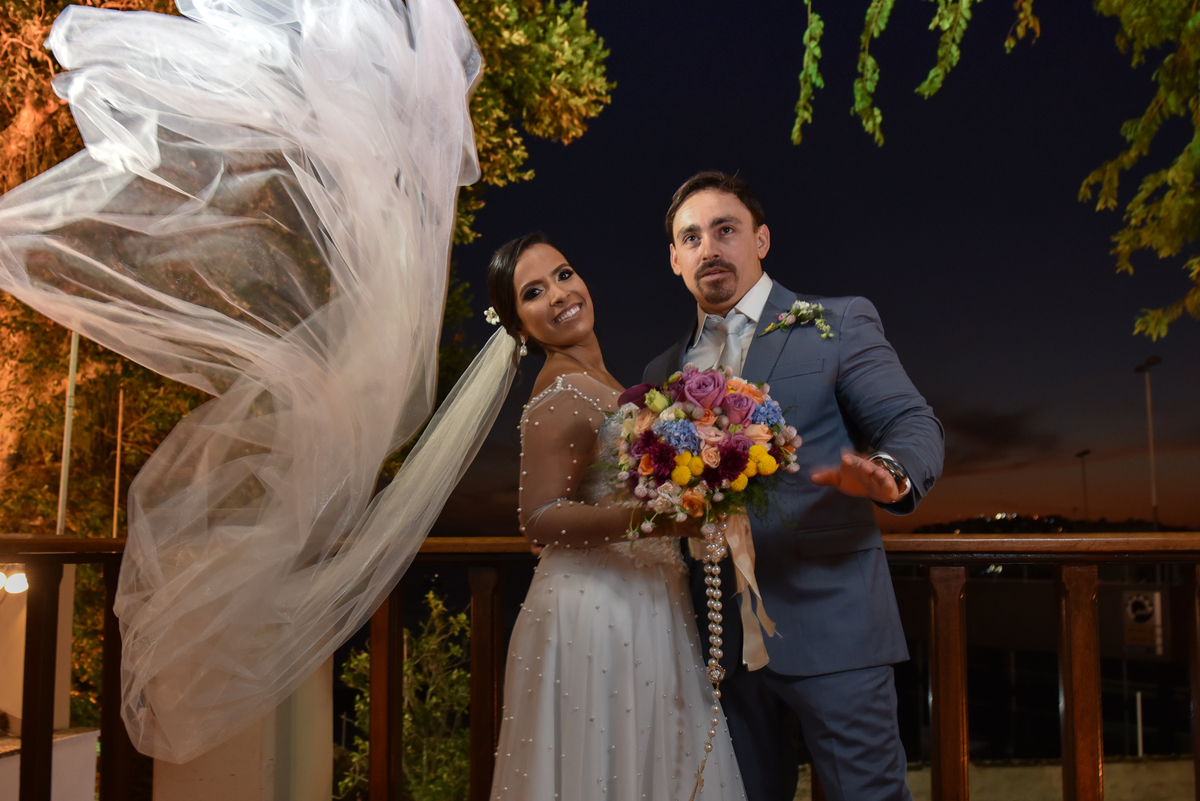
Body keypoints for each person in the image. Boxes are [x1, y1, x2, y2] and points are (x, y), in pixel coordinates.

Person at [643, 171, 945, 801]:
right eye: (691, 237)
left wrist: (889, 473)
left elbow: (911, 422)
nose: (709, 248)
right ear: (674, 258)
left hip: (834, 628)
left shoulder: (837, 322)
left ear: (761, 240)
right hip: (718, 650)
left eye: (725, 229)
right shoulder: (662, 369)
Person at [485, 232, 747, 800]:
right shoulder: (559, 394)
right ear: (519, 326)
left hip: (646, 598)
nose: (559, 294)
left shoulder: (608, 385)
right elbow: (539, 517)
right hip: (596, 613)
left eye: (563, 274)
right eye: (533, 292)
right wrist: (654, 519)